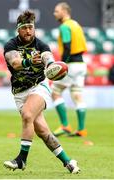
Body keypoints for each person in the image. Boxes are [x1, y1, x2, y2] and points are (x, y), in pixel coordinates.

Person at [3, 10, 80, 174]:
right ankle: (68, 162)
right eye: (24, 28)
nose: (28, 31)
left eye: (31, 27)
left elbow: (48, 58)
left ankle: (21, 160)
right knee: (43, 132)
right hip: (19, 92)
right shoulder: (11, 45)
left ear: (34, 28)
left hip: (39, 86)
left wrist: (51, 65)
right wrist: (29, 60)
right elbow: (15, 63)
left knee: (27, 115)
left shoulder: (41, 45)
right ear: (18, 29)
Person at [51, 2, 87, 137]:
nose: (54, 13)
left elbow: (67, 46)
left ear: (65, 12)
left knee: (55, 92)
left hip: (70, 65)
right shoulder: (75, 24)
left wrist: (62, 64)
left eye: (57, 11)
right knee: (77, 95)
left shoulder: (65, 26)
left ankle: (65, 125)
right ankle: (81, 129)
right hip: (81, 64)